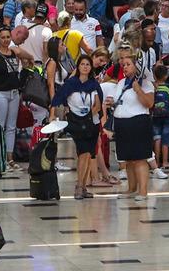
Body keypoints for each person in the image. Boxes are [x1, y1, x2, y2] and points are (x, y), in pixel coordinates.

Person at [50, 56, 103, 200]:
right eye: (82, 64)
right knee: (83, 153)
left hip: (91, 123)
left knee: (88, 154)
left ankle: (83, 186)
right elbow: (57, 99)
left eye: (88, 64)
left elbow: (98, 105)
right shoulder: (71, 83)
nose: (85, 67)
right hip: (76, 123)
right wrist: (52, 116)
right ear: (78, 67)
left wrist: (89, 114)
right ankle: (79, 186)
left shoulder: (94, 84)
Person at [109, 56, 155, 201]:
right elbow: (120, 101)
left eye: (128, 64)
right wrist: (112, 102)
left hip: (138, 122)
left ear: (137, 67)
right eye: (123, 65)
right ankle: (131, 188)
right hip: (122, 123)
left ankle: (142, 191)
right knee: (127, 159)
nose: (125, 67)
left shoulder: (145, 83)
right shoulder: (121, 82)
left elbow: (149, 103)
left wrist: (138, 90)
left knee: (140, 158)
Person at [0, 26, 28, 170]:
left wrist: (23, 54)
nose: (5, 40)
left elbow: (28, 59)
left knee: (11, 127)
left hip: (14, 93)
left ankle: (10, 158)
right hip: (0, 94)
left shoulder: (15, 53)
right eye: (2, 37)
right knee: (0, 126)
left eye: (7, 37)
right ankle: (0, 158)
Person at [151, 64, 169, 171]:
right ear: (166, 76)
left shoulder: (153, 88)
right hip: (167, 116)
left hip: (155, 115)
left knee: (157, 138)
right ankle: (165, 161)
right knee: (165, 139)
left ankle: (156, 162)